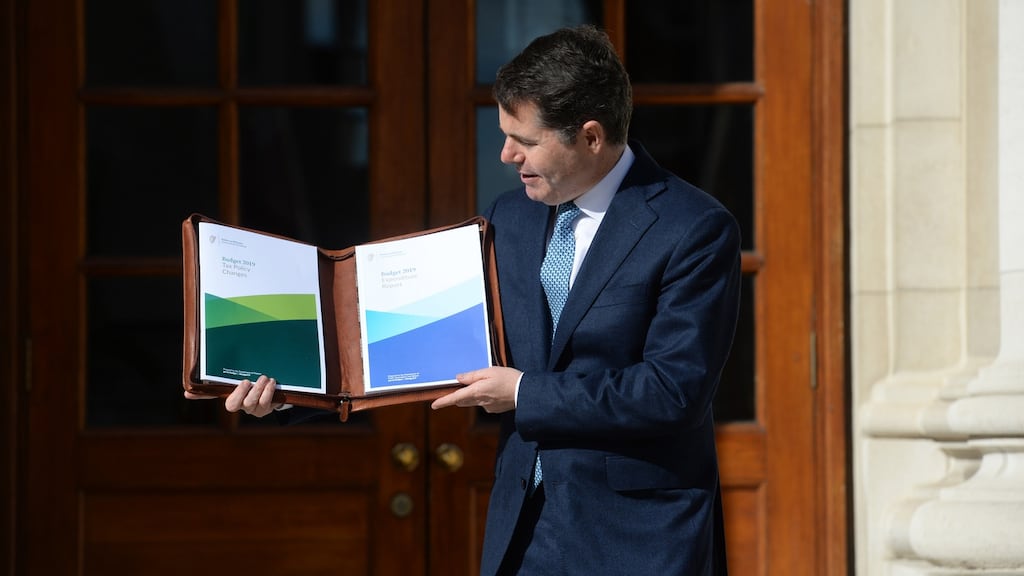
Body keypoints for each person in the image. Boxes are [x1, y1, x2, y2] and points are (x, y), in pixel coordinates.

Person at [189, 25, 740, 576]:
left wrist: (524, 392)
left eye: (523, 141)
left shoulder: (693, 229)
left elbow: (673, 392)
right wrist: (297, 387)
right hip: (524, 533)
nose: (505, 154)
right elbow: (425, 340)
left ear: (590, 137)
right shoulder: (510, 217)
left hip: (640, 539)